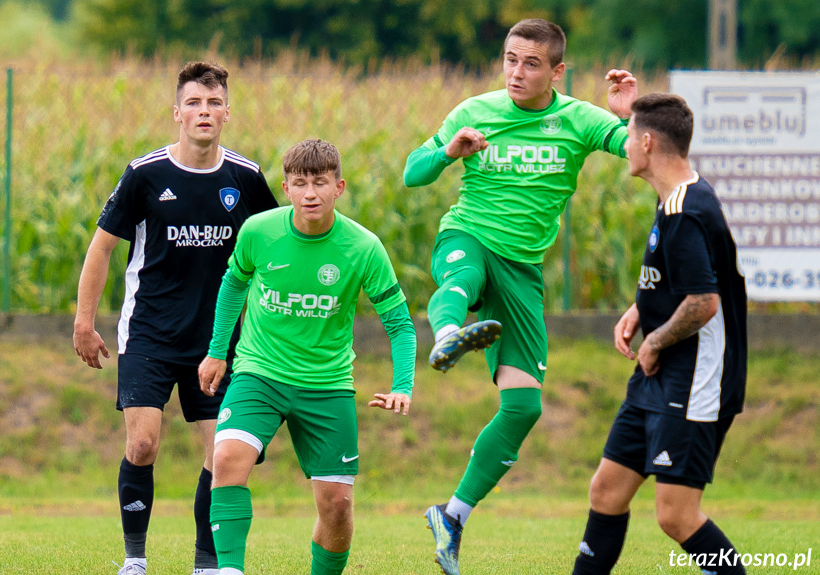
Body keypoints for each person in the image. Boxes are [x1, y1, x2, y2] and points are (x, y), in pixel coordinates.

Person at [402, 18, 637, 575]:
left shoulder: (578, 119)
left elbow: (642, 150)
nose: (516, 72)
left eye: (531, 63)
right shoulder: (474, 112)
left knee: (524, 407)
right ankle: (447, 334)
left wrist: (632, 112)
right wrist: (449, 152)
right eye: (510, 59)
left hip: (523, 272)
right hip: (468, 236)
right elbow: (413, 173)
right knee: (459, 284)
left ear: (558, 71)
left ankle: (452, 515)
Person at [73, 62, 278, 575]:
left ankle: (207, 564)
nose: (203, 112)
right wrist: (83, 321)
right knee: (142, 444)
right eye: (193, 103)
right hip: (149, 333)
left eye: (213, 104)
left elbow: (277, 251)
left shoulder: (246, 179)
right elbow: (100, 250)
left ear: (227, 113)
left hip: (218, 340)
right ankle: (135, 559)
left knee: (224, 457)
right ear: (177, 113)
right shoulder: (145, 175)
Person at [197, 138, 416, 575]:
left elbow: (400, 324)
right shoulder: (260, 231)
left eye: (320, 183)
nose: (310, 193)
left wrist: (402, 385)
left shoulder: (363, 247)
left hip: (327, 384)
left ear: (340, 187)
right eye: (300, 184)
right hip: (259, 372)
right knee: (225, 459)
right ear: (286, 188)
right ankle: (229, 570)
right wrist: (217, 352)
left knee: (336, 506)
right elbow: (232, 286)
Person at [571, 93, 747, 574]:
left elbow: (704, 302)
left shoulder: (687, 211)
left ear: (647, 143)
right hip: (662, 375)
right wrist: (640, 307)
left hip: (696, 378)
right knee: (606, 489)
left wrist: (654, 338)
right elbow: (685, 280)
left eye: (628, 138)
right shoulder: (674, 195)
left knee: (675, 515)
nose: (624, 147)